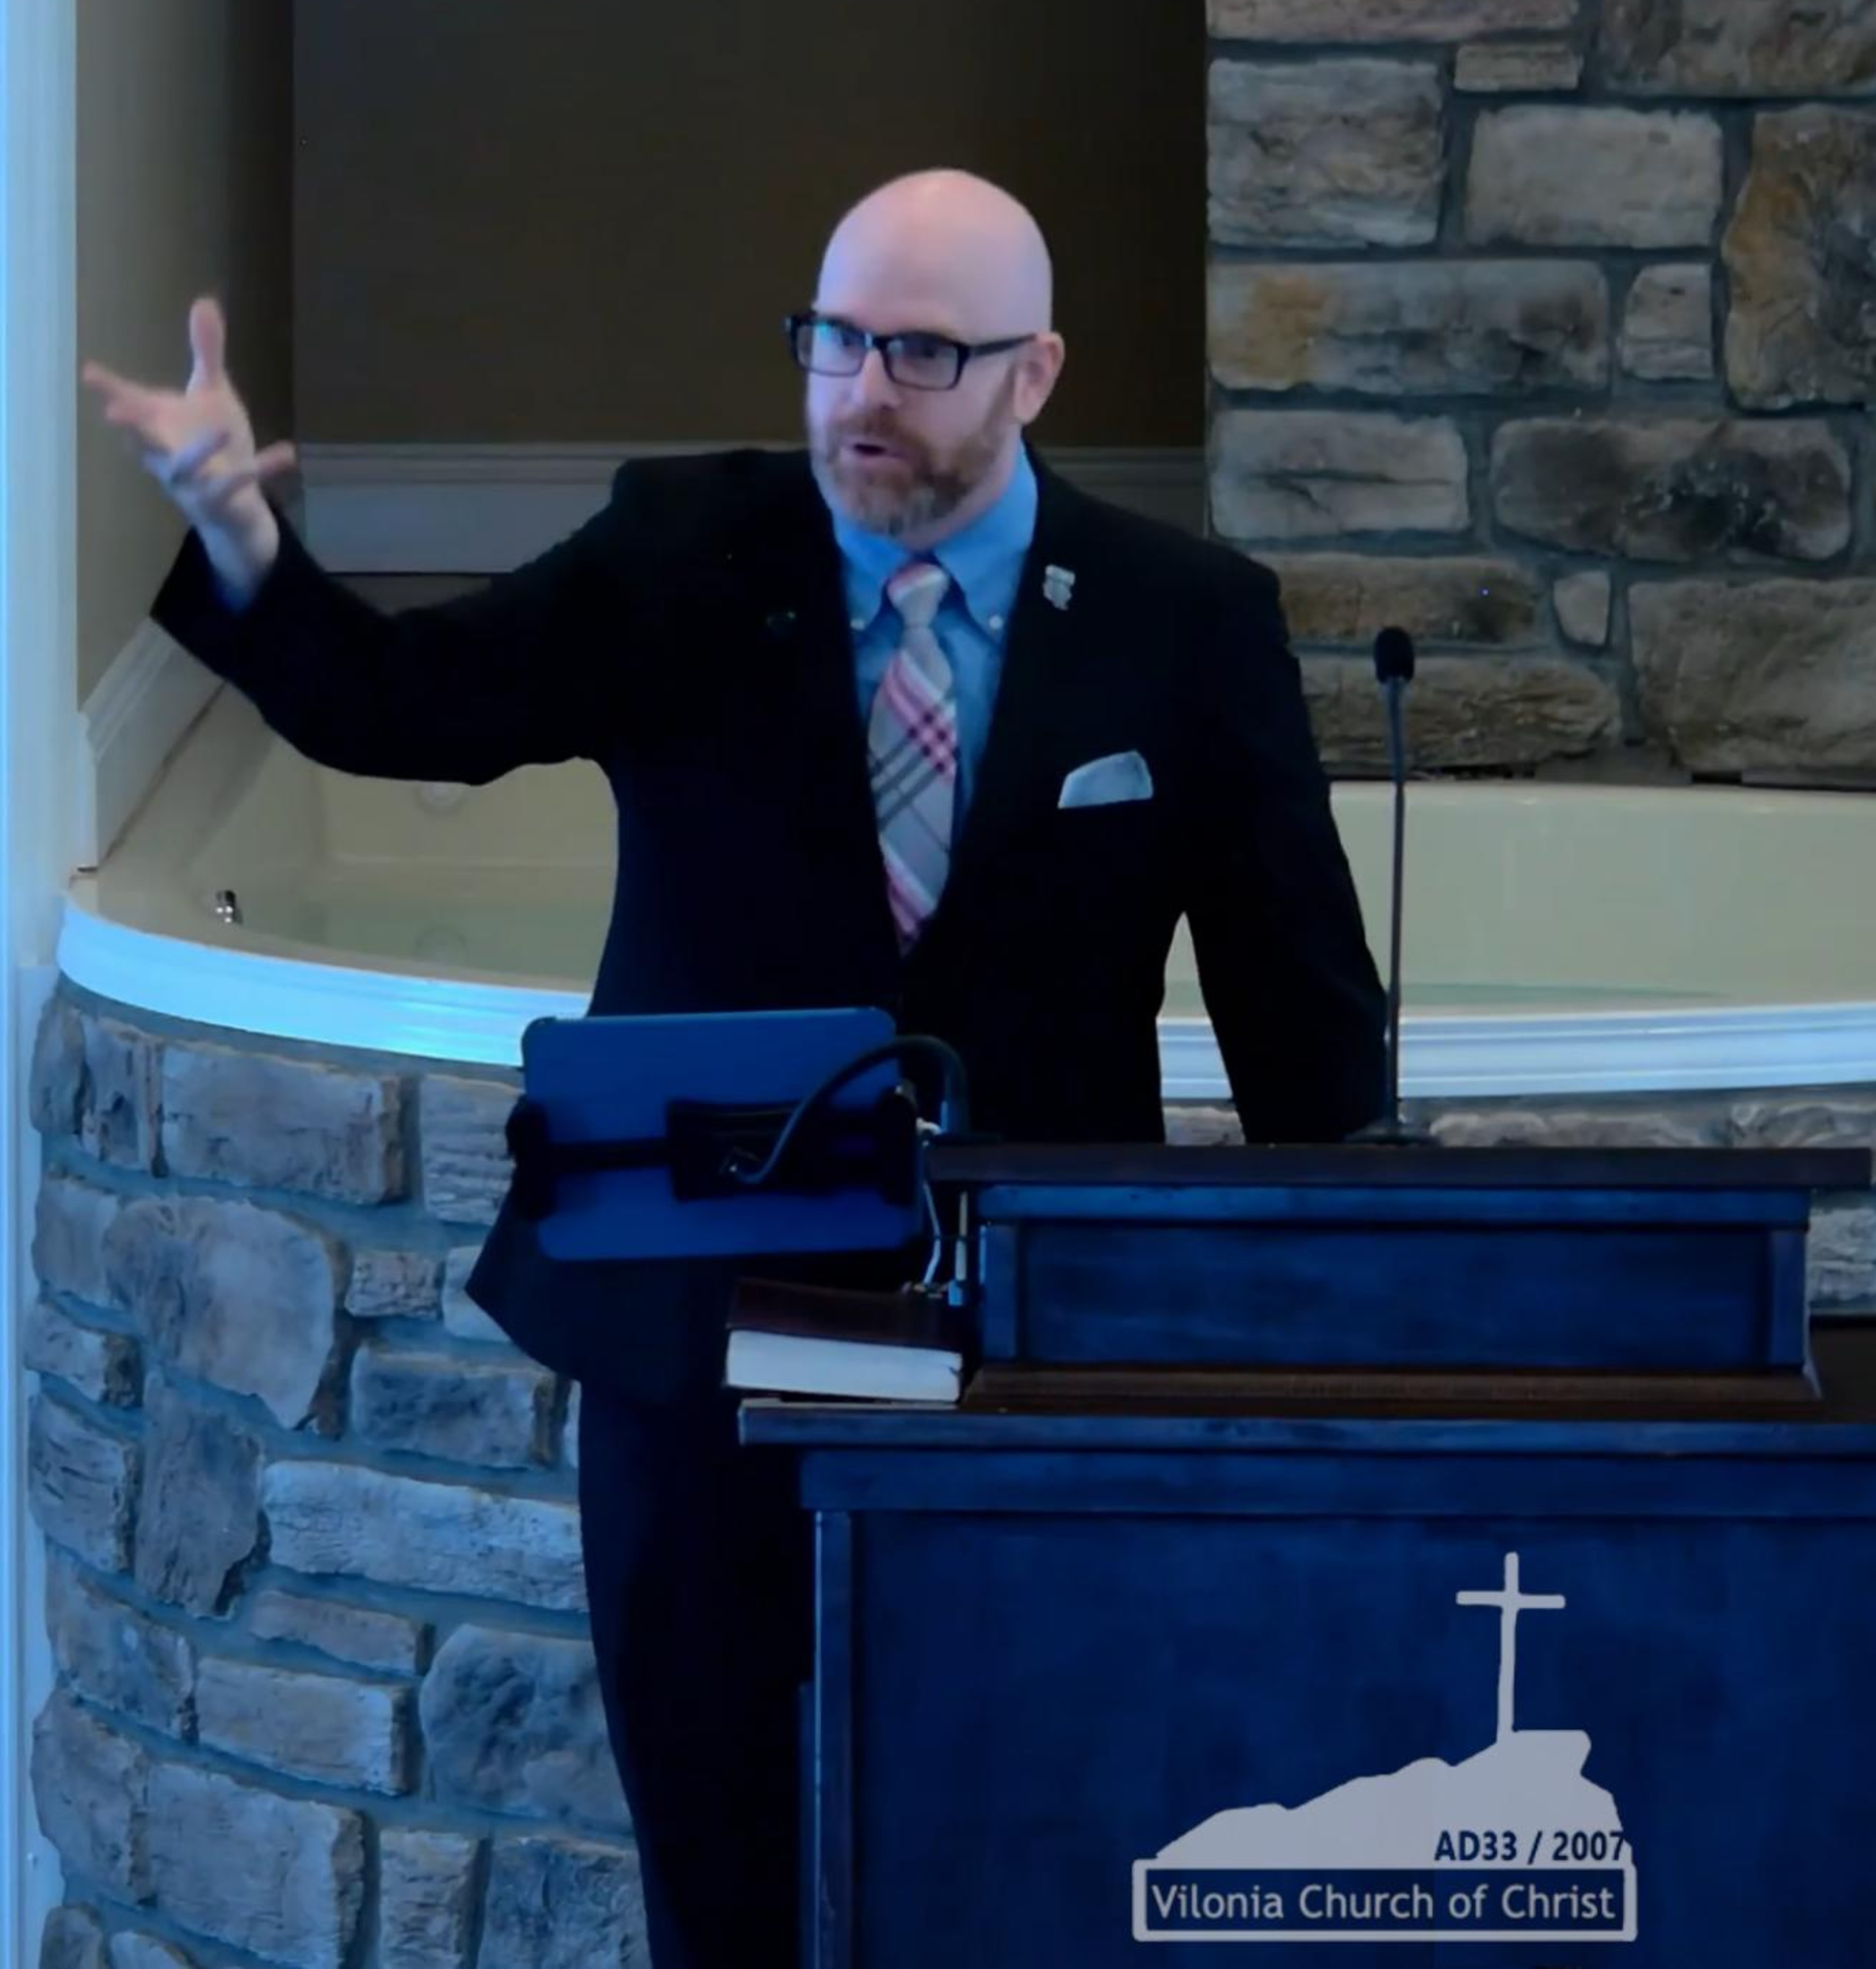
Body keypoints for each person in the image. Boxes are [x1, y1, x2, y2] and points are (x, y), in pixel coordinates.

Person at [85, 168, 1387, 1966]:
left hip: (1022, 1349)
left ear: (1035, 373)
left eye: (922, 353)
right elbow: (412, 704)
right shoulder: (684, 548)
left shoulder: (1186, 617)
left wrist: (1351, 1308)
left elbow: (1301, 1012)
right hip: (700, 1348)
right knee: (721, 1881)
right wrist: (242, 536)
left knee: (1014, 1856)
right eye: (833, 341)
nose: (862, 391)